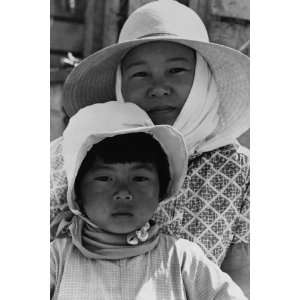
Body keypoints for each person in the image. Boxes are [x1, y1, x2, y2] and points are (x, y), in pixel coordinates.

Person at [51, 0, 250, 296]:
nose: (159, 87)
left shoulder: (239, 168)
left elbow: (241, 274)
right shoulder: (70, 153)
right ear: (120, 82)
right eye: (140, 74)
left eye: (177, 70)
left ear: (204, 78)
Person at [51, 101, 247, 300]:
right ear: (78, 191)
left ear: (161, 190)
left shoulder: (181, 258)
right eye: (104, 178)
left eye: (139, 178)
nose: (123, 192)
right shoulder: (56, 259)